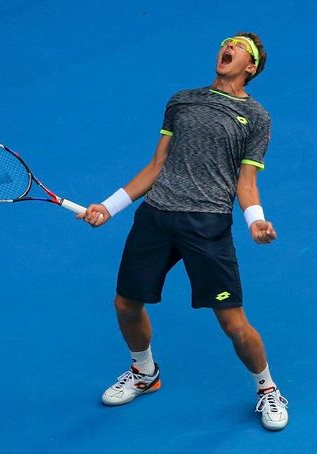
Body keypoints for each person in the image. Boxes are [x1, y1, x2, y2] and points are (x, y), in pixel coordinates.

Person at [78, 32, 288, 431]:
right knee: (126, 304)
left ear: (251, 66)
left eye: (240, 46)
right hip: (157, 215)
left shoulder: (256, 118)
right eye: (227, 42)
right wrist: (110, 206)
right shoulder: (182, 100)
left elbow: (246, 182)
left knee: (232, 322)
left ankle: (267, 389)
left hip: (206, 224)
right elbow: (156, 165)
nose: (228, 47)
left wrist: (255, 221)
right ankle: (144, 373)